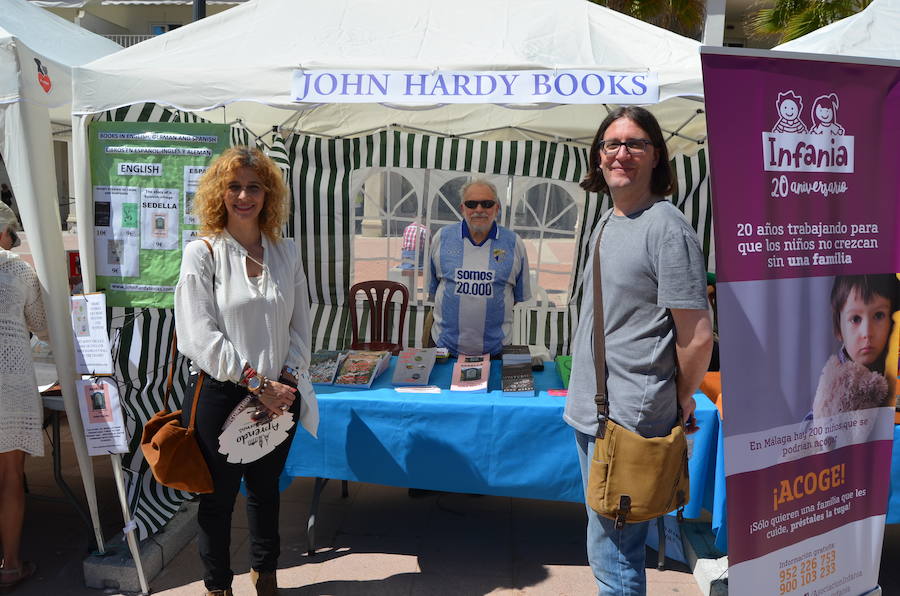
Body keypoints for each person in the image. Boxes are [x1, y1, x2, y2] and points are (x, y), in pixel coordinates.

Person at [563, 107, 713, 595]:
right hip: (593, 410)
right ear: (598, 156)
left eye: (635, 144)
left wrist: (679, 398)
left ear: (656, 156)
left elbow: (696, 335)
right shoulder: (609, 220)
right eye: (612, 144)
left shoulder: (667, 227)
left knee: (615, 558)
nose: (621, 153)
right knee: (606, 547)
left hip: (628, 417)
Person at [174, 147, 318, 596]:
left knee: (265, 491)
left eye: (254, 187)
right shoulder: (202, 253)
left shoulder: (285, 251)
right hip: (222, 394)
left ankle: (265, 575)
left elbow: (301, 326)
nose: (243, 196)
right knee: (216, 500)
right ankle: (218, 586)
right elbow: (197, 334)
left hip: (280, 393)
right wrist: (256, 383)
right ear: (218, 193)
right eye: (233, 186)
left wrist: (285, 382)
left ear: (268, 194)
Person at [0, 202, 47, 593]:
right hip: (11, 385)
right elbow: (44, 327)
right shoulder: (18, 269)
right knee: (11, 476)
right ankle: (11, 565)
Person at [427, 180, 530, 356]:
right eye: (472, 204)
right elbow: (435, 289)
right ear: (462, 208)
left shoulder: (514, 243)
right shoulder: (441, 238)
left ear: (497, 208)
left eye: (487, 204)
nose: (479, 209)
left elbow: (516, 297)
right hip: (444, 347)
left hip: (496, 351)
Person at [812, 274, 897, 420]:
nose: (867, 333)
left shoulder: (892, 362)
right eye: (856, 319)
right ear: (839, 329)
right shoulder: (834, 386)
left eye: (878, 316)